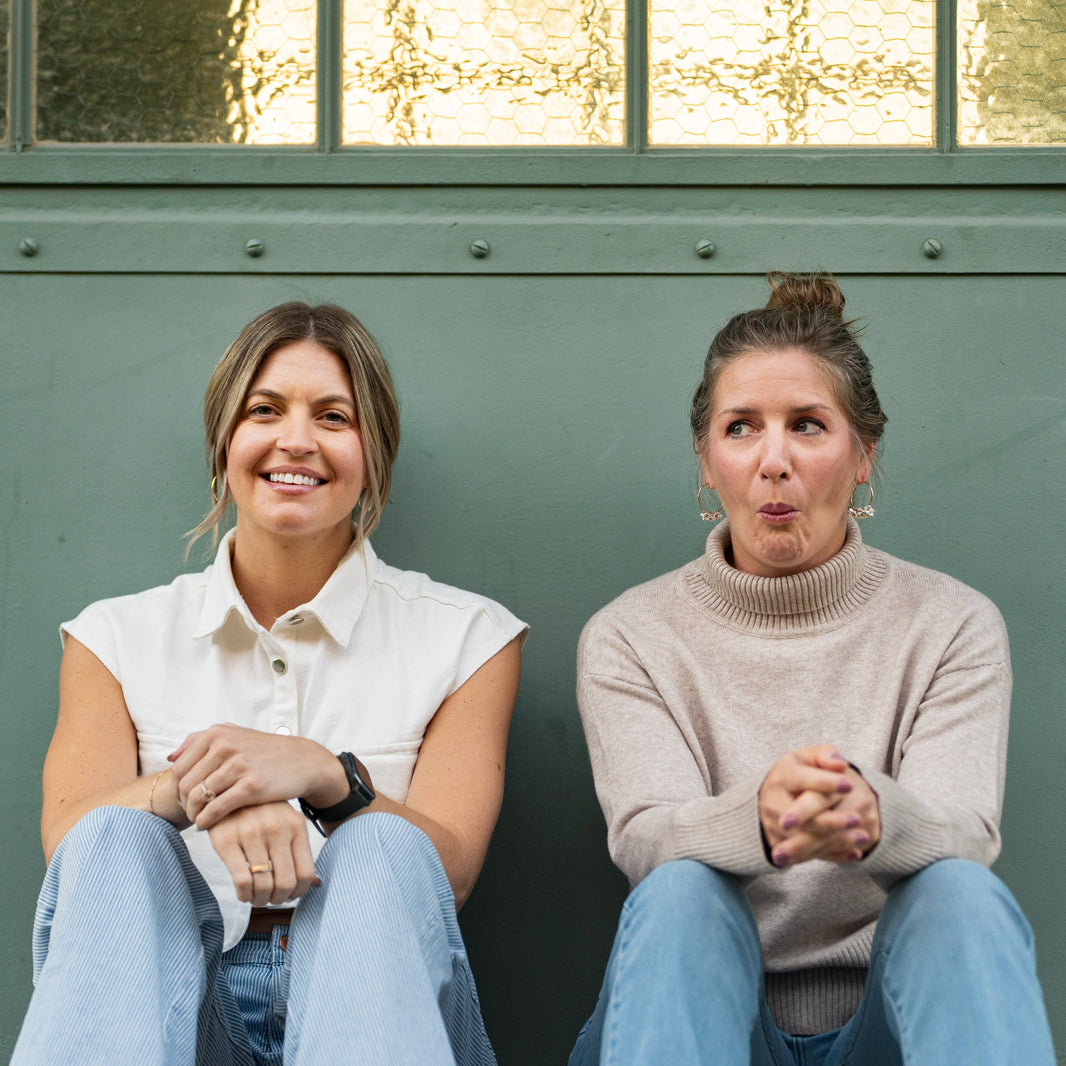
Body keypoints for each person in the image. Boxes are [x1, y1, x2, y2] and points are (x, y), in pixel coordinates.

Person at [13, 302, 527, 1066]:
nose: (296, 439)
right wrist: (210, 791)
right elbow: (71, 843)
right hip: (170, 1006)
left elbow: (446, 876)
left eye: (332, 416)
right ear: (224, 440)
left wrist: (327, 777)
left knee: (385, 842)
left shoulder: (468, 637)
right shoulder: (112, 637)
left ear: (373, 451)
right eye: (264, 410)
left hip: (380, 1004)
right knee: (115, 834)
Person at [569, 273, 1054, 1066]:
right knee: (683, 889)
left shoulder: (951, 623)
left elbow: (965, 834)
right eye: (741, 428)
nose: (774, 461)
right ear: (706, 458)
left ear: (864, 454)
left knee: (959, 891)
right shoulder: (631, 635)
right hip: (695, 1021)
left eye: (807, 425)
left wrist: (872, 815)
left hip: (889, 1033)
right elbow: (647, 839)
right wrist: (761, 821)